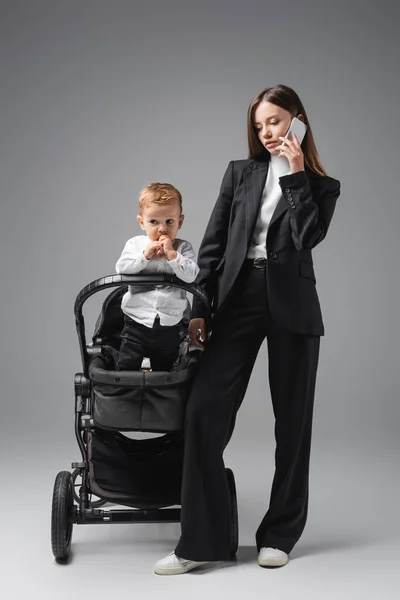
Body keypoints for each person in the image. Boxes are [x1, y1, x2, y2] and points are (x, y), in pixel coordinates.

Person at [153, 84, 341, 575]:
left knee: (292, 425)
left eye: (275, 121)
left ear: (297, 121)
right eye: (259, 125)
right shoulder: (240, 174)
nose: (266, 132)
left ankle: (280, 533)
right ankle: (200, 540)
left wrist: (297, 174)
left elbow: (306, 236)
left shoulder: (321, 185)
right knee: (203, 411)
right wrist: (199, 308)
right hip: (236, 299)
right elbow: (213, 246)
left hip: (293, 305)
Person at [115, 182, 199, 371]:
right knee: (127, 363)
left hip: (170, 323)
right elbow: (122, 269)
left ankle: (159, 393)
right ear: (141, 222)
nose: (162, 229)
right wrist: (144, 256)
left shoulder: (183, 248)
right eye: (154, 222)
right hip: (136, 319)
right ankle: (127, 393)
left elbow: (191, 275)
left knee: (165, 367)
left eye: (169, 221)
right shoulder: (135, 244)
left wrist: (172, 256)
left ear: (180, 221)